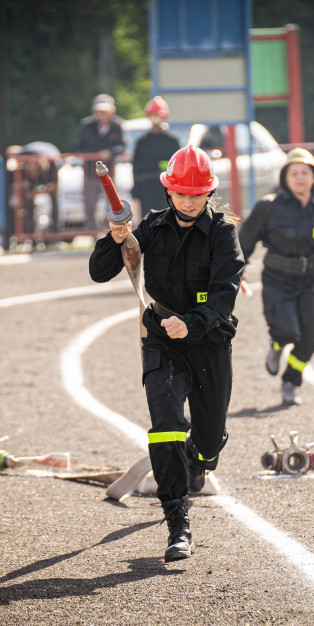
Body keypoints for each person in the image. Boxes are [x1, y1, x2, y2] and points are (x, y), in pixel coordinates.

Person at [88, 144, 244, 563]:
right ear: (168, 192)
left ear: (209, 193)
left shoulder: (223, 232)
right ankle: (178, 523)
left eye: (197, 194)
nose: (189, 200)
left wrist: (192, 323)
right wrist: (115, 238)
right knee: (167, 425)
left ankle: (198, 462)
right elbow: (99, 271)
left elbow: (225, 292)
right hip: (161, 342)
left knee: (209, 441)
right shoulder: (152, 229)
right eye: (181, 193)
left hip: (209, 342)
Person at [239, 148, 314, 407]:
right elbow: (244, 241)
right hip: (278, 280)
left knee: (309, 342)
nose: (300, 178)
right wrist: (237, 269)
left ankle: (291, 380)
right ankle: (277, 344)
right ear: (285, 178)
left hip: (310, 281)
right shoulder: (269, 207)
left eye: (305, 173)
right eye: (294, 173)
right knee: (287, 331)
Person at [75, 94, 124, 227]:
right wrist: (94, 155)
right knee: (90, 202)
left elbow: (122, 145)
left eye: (104, 111)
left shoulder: (117, 125)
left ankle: (110, 228)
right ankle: (91, 230)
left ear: (112, 111)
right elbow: (79, 146)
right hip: (90, 171)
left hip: (109, 171)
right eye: (98, 111)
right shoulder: (86, 125)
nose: (101, 114)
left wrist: (110, 152)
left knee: (112, 202)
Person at [131, 96, 180, 219]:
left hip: (165, 188)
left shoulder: (171, 141)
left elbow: (175, 164)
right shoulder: (142, 141)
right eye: (153, 116)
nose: (155, 119)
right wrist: (136, 190)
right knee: (148, 220)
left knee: (167, 218)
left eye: (158, 116)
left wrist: (160, 167)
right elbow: (136, 166)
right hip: (146, 187)